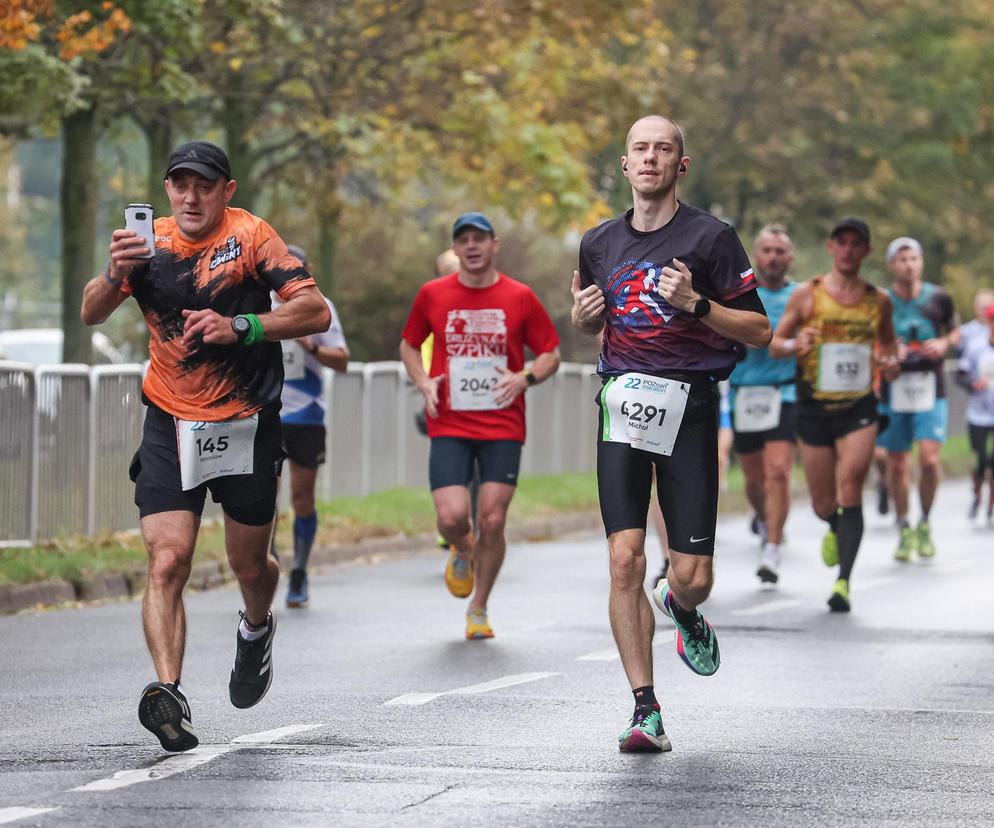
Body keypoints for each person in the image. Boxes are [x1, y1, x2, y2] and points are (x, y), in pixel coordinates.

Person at [80, 141, 331, 753]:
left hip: (244, 421)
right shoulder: (147, 243)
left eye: (205, 186)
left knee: (251, 565)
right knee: (168, 560)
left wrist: (241, 326)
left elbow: (314, 311)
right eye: (180, 185)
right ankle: (170, 692)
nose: (192, 197)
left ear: (227, 191)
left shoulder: (252, 238)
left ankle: (256, 628)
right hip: (169, 419)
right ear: (167, 190)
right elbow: (91, 313)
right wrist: (117, 275)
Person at [571, 115, 771, 753]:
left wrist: (697, 306)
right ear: (624, 164)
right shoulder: (598, 243)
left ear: (680, 164)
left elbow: (760, 330)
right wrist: (580, 320)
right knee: (622, 557)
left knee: (695, 574)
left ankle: (682, 607)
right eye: (640, 148)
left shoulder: (712, 238)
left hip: (690, 406)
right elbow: (592, 324)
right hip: (623, 403)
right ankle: (644, 709)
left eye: (664, 148)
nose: (651, 157)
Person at [400, 212, 561, 640]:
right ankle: (461, 547)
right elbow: (409, 343)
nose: (471, 246)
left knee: (492, 519)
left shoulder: (520, 297)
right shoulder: (433, 294)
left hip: (502, 423)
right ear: (454, 248)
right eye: (463, 240)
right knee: (454, 517)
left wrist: (523, 377)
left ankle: (479, 607)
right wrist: (423, 382)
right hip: (449, 419)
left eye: (479, 239)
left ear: (494, 244)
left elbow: (550, 353)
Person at [770, 217, 899, 612]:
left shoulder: (879, 301)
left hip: (859, 407)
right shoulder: (808, 295)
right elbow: (774, 345)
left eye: (855, 244)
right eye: (840, 242)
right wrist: (796, 343)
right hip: (813, 408)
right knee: (824, 503)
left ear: (866, 251)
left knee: (851, 484)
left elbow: (891, 348)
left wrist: (891, 363)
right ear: (831, 247)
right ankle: (834, 526)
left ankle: (843, 581)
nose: (847, 249)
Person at [274, 244, 350, 607]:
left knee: (302, 498)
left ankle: (300, 570)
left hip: (306, 416)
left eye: (297, 268)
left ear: (308, 269)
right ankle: (265, 564)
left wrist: (313, 348)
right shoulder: (256, 303)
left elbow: (343, 361)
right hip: (263, 415)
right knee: (260, 501)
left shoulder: (321, 307)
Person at [875, 238, 956, 561]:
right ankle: (904, 526)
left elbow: (954, 331)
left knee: (929, 460)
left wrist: (943, 343)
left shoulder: (939, 296)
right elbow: (871, 342)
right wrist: (888, 354)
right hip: (894, 388)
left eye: (914, 258)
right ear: (892, 265)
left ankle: (924, 521)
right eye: (902, 259)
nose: (909, 264)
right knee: (896, 463)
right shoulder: (882, 301)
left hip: (930, 386)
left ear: (921, 263)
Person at [728, 224, 798, 584]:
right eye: (767, 250)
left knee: (779, 471)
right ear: (756, 256)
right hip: (745, 393)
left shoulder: (802, 296)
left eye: (779, 251)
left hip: (785, 391)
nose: (773, 257)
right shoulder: (739, 292)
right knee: (754, 478)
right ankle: (763, 517)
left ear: (790, 257)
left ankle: (772, 549)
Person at [956, 302, 994, 523]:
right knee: (979, 461)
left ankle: (991, 505)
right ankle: (977, 495)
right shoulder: (976, 346)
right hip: (978, 414)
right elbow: (960, 375)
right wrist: (973, 384)